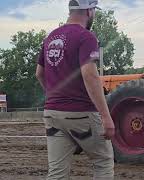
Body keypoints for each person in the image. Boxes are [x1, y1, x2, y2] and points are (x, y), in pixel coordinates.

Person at [35, 0, 115, 179]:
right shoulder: (86, 36)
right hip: (81, 114)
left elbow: (39, 73)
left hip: (52, 113)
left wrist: (54, 95)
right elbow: (90, 75)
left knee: (56, 171)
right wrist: (105, 116)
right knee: (103, 161)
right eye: (93, 10)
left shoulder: (50, 37)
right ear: (88, 11)